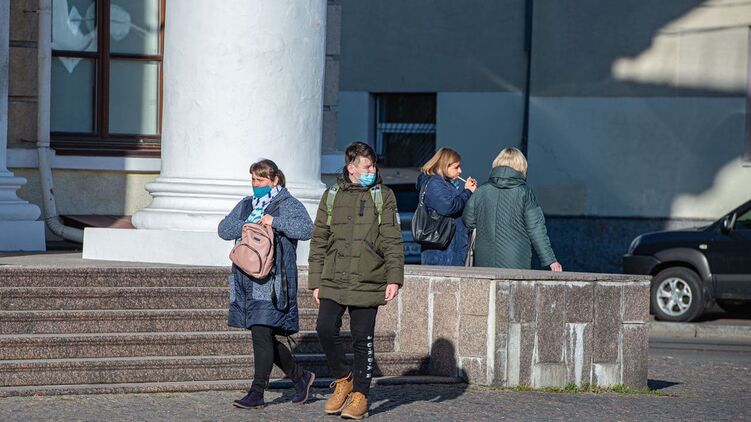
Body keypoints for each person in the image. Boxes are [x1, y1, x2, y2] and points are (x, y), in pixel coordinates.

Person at [308, 141, 404, 419]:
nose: (372, 171)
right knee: (325, 328)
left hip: (369, 277)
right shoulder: (331, 195)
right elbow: (319, 240)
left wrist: (394, 278)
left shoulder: (383, 196)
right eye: (367, 166)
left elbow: (392, 240)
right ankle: (343, 379)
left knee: (363, 339)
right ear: (351, 167)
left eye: (374, 166)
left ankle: (361, 395)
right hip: (334, 277)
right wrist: (316, 281)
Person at [218, 159, 316, 409]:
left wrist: (275, 221)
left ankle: (257, 392)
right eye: (253, 179)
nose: (256, 184)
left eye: (261, 180)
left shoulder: (288, 204)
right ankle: (300, 377)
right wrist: (248, 223)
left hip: (272, 280)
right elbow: (224, 229)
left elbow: (306, 229)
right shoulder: (246, 205)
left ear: (275, 180)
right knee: (263, 335)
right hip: (244, 278)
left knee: (262, 332)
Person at [462, 147, 563, 272]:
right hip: (515, 260)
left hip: (484, 258)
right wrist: (550, 260)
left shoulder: (481, 191)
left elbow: (468, 221)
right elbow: (536, 228)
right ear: (521, 166)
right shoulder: (524, 192)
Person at [416, 147, 478, 265]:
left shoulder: (443, 183)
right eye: (456, 167)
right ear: (445, 166)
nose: (460, 171)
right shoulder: (435, 183)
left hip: (448, 248)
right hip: (442, 251)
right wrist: (467, 191)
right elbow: (448, 207)